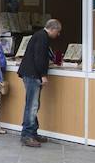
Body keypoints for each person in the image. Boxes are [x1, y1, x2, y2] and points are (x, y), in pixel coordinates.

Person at [18, 19, 62, 147]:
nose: (58, 35)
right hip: (33, 75)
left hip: (30, 73)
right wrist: (43, 75)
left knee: (33, 105)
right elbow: (39, 57)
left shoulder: (39, 35)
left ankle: (32, 132)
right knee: (32, 105)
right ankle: (27, 135)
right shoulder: (42, 37)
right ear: (52, 29)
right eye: (58, 32)